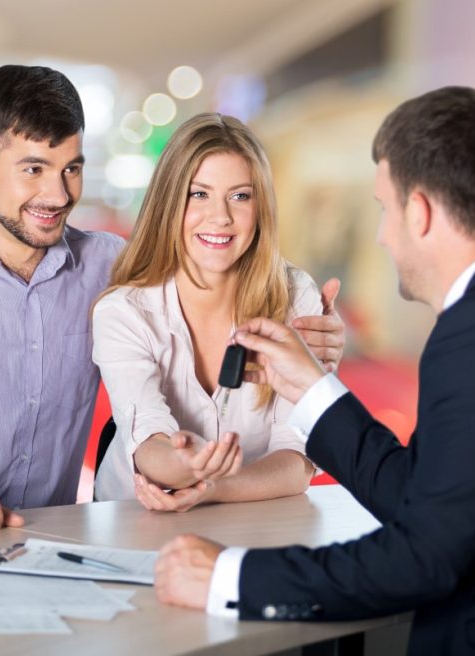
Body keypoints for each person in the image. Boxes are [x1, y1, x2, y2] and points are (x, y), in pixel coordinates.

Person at [0, 65, 345, 539]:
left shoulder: (112, 268)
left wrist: (322, 343)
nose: (59, 194)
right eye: (33, 169)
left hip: (34, 547)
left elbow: (206, 259)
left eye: (71, 168)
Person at [153, 86, 475, 656]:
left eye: (385, 210)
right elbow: (420, 495)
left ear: (419, 213)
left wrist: (229, 577)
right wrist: (312, 387)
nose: (381, 236)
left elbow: (425, 556)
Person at [93, 113, 332, 509]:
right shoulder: (124, 312)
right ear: (169, 203)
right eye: (199, 194)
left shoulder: (294, 295)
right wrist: (183, 464)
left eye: (240, 196)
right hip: (136, 518)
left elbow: (297, 459)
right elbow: (148, 440)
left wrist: (212, 486)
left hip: (252, 521)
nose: (221, 217)